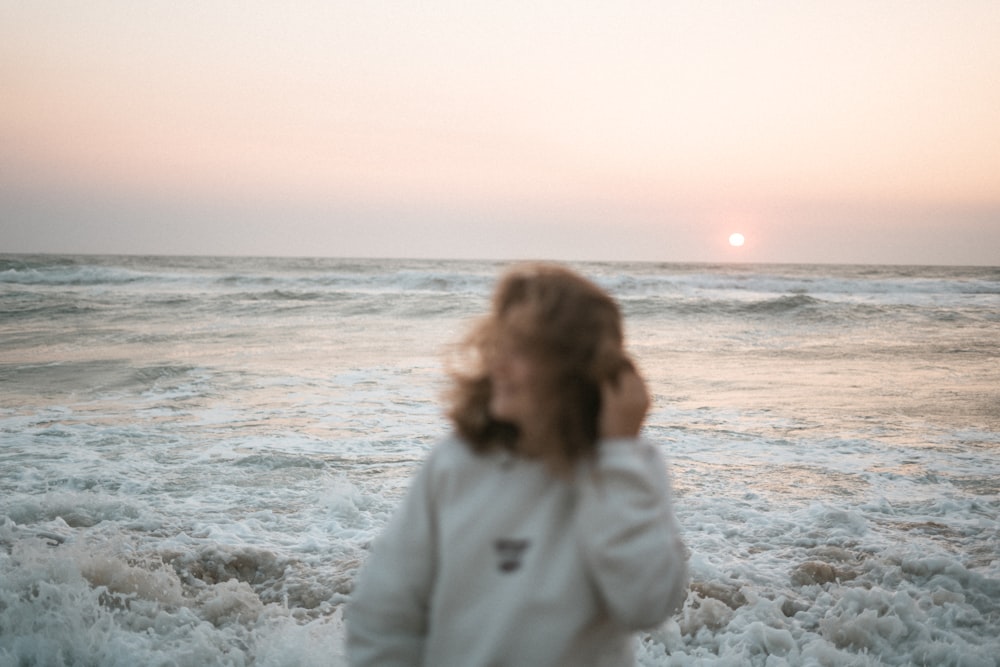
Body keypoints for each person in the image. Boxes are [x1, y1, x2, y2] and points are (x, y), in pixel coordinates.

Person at [346, 263, 688, 667]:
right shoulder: (456, 463)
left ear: (575, 369)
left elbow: (646, 604)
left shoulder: (626, 467)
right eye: (499, 344)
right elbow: (385, 612)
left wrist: (615, 457)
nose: (499, 365)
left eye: (522, 350)